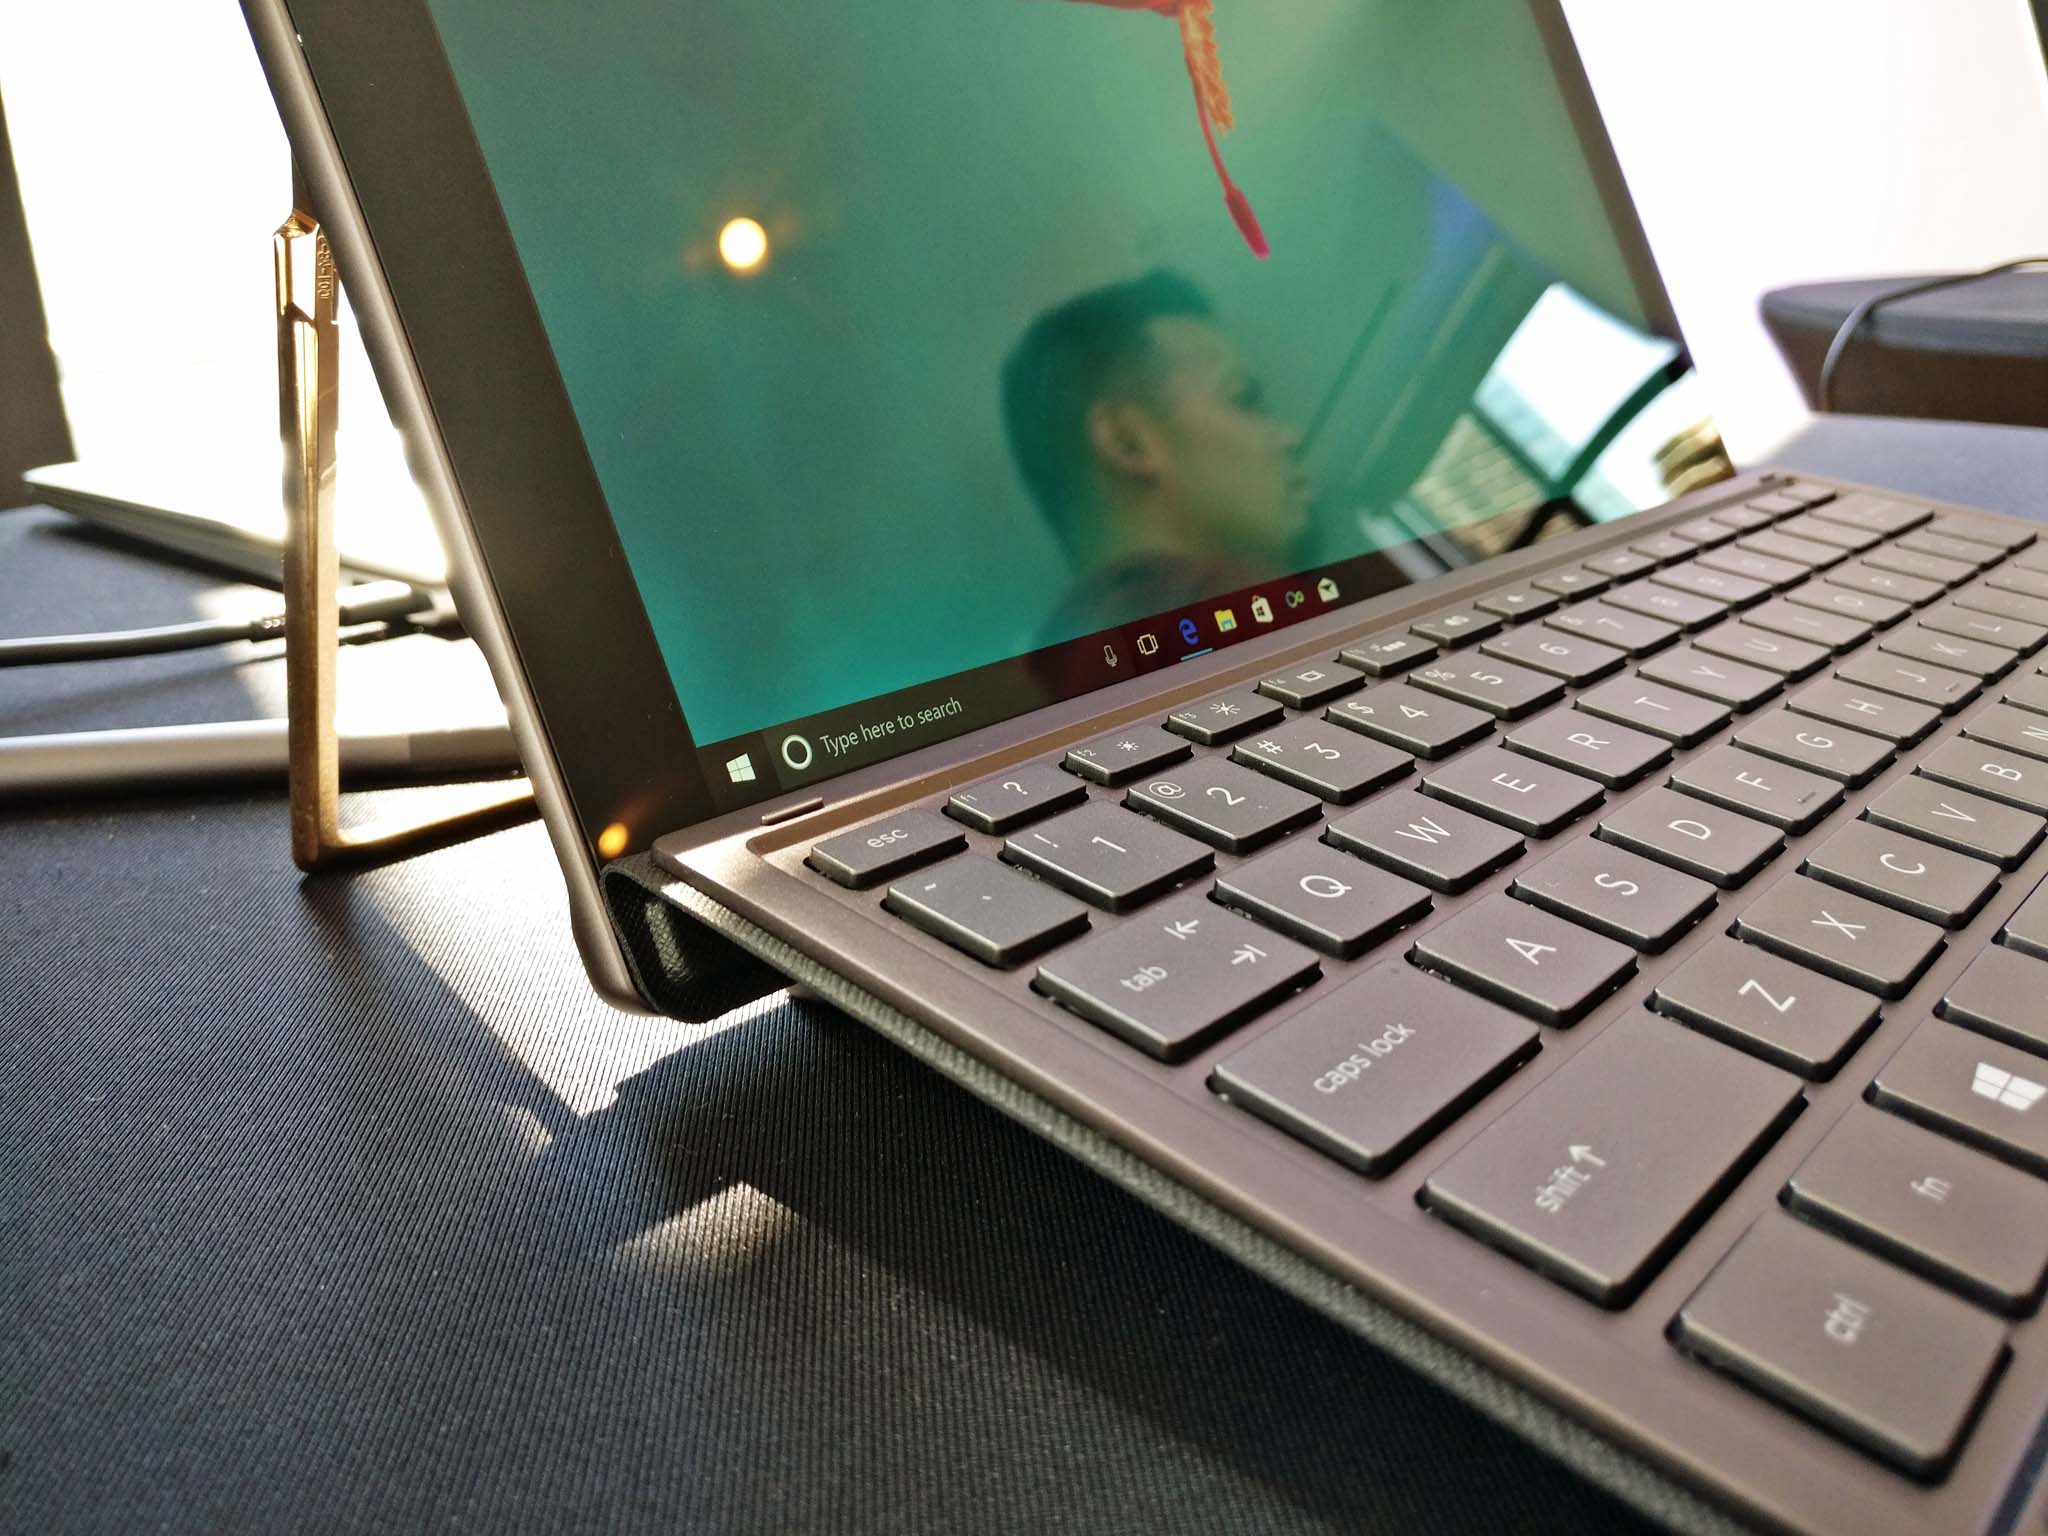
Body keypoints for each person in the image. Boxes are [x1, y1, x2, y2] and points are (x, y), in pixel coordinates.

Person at [1001, 269, 1310, 646]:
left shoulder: (1060, 665)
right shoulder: (1236, 601)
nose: (1289, 438)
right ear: (1126, 441)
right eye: (1244, 399)